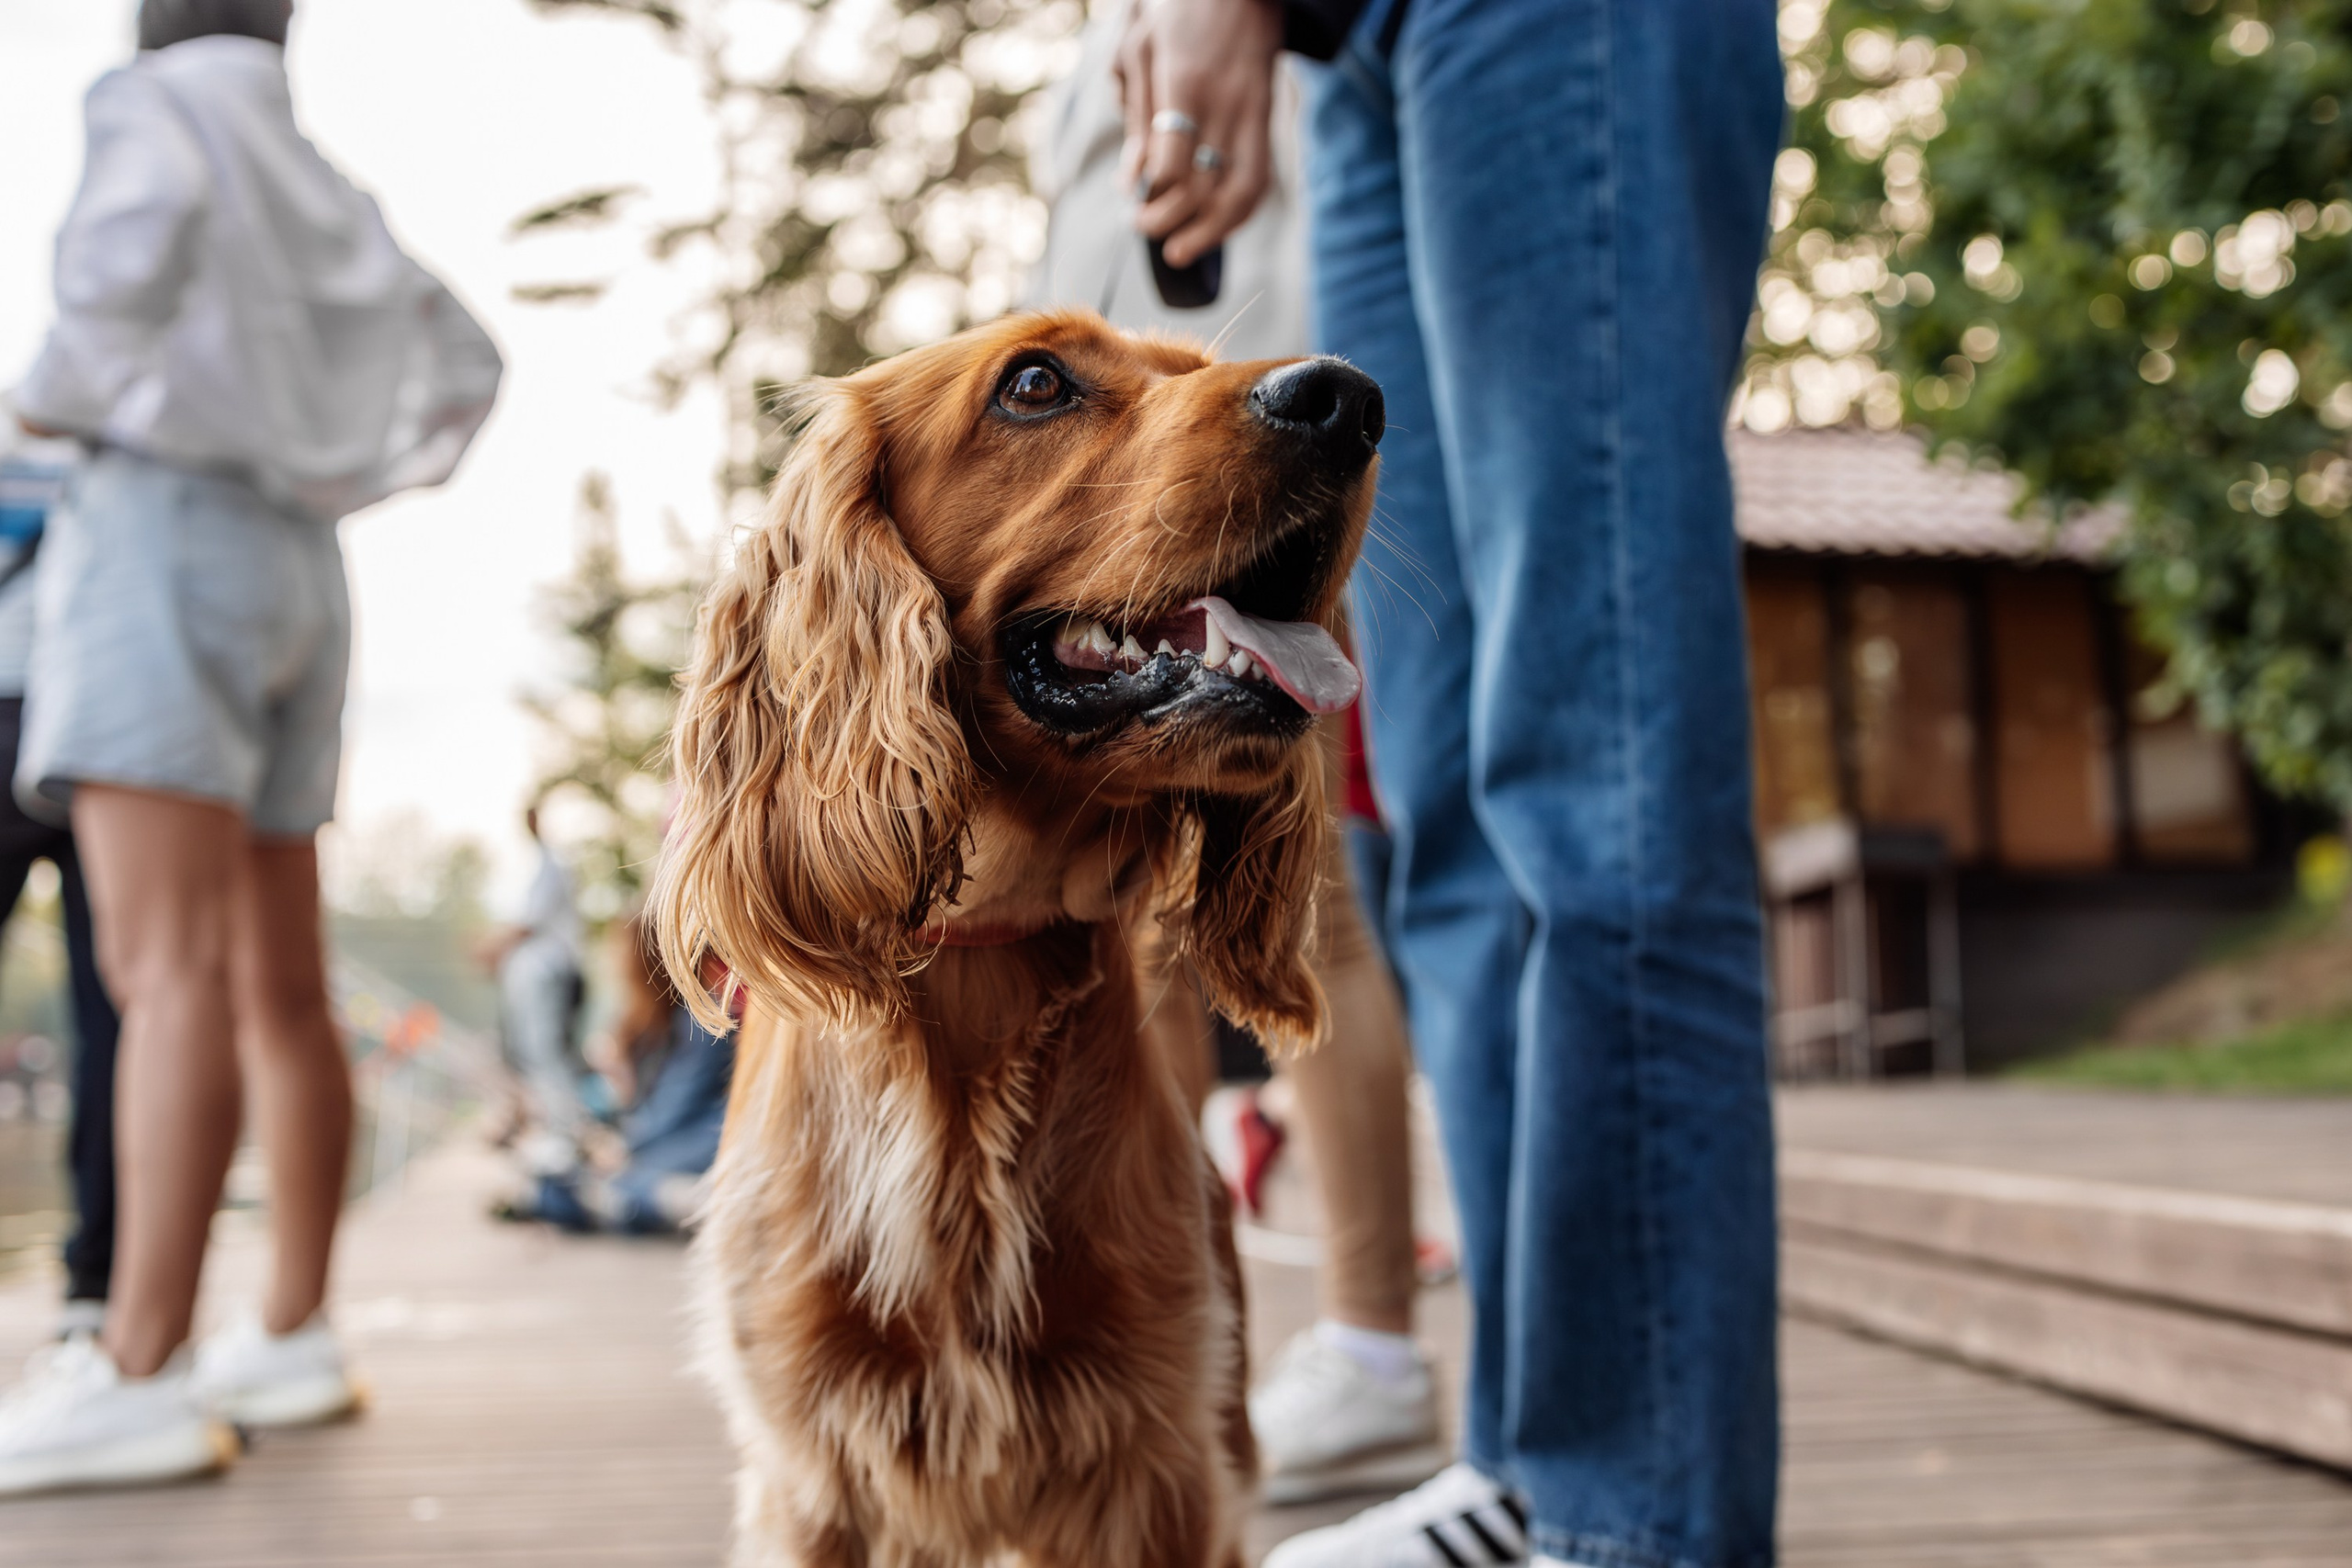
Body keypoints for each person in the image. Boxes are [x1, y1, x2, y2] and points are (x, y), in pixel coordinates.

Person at [1118, 0, 1785, 1564]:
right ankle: (1537, 1466)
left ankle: (1642, 1516)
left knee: (1599, 775)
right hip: (1364, 51)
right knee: (1447, 815)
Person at [0, 0, 502, 1495]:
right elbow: (465, 368)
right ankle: (288, 1326)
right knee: (281, 981)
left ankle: (140, 1364)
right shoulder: (315, 170)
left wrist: (50, 404)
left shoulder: (150, 112)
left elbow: (100, 300)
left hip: (160, 538)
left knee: (163, 973)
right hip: (300, 561)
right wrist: (345, 466)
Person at [1034, 6, 1447, 1506]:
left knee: (1309, 910)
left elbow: (1193, 257)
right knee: (1141, 929)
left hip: (1238, 443)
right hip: (1142, 502)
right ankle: (1189, 1337)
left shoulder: (1232, 36)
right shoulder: (1114, 45)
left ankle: (1375, 1341)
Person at [0, 419, 123, 1338]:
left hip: (66, 710)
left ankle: (97, 1286)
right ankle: (96, 1292)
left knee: (124, 1012)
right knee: (117, 1013)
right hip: (111, 716)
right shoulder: (121, 443)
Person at [504, 908, 734, 1235]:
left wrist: (624, 1146)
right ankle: (625, 1201)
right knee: (566, 1179)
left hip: (707, 1138)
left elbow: (674, 1110)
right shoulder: (653, 1022)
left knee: (611, 1180)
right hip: (672, 1140)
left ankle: (651, 1202)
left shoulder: (704, 1019)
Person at [477, 805, 593, 1179]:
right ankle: (556, 1127)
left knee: (546, 1052)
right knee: (531, 1053)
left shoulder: (550, 865)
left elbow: (527, 923)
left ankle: (566, 1131)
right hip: (535, 977)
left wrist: (491, 948)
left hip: (550, 975)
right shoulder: (532, 867)